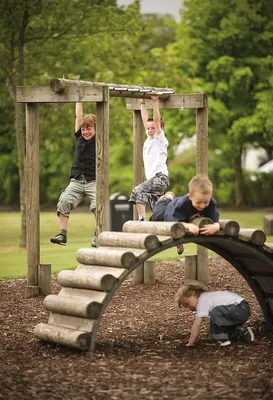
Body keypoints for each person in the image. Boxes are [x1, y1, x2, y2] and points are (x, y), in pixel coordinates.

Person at [50, 102, 97, 247]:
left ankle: (98, 234)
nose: (85, 132)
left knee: (99, 206)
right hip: (77, 180)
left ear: (96, 129)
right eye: (83, 129)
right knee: (63, 201)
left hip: (93, 180)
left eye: (89, 129)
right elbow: (78, 116)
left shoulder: (100, 141)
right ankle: (62, 234)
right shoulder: (79, 138)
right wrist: (79, 99)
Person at [150, 175, 220, 255]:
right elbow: (172, 222)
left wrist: (215, 227)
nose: (202, 206)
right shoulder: (182, 205)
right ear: (189, 197)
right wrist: (189, 226)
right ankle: (166, 198)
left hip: (183, 214)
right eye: (198, 202)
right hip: (167, 209)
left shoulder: (211, 203)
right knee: (156, 218)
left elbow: (215, 219)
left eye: (206, 202)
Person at [175, 279, 255, 346]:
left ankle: (221, 339)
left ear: (194, 295)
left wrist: (190, 343)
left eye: (187, 303)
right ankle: (242, 333)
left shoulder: (202, 300)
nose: (189, 308)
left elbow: (196, 325)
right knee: (217, 322)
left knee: (215, 314)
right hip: (241, 309)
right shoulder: (207, 298)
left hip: (238, 308)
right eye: (186, 307)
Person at [128, 93, 169, 221]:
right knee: (159, 213)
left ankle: (141, 220)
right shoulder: (149, 139)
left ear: (160, 129)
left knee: (138, 191)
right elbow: (145, 119)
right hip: (152, 181)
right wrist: (142, 103)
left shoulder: (160, 139)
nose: (150, 130)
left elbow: (156, 121)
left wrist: (155, 102)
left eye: (153, 128)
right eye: (148, 128)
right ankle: (176, 235)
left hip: (160, 178)